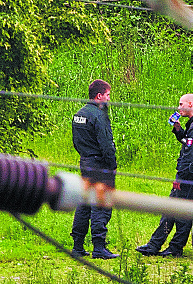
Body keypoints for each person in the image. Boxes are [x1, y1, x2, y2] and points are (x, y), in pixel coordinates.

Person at [136, 93, 193, 257]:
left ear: (190, 105)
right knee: (170, 209)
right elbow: (188, 142)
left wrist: (180, 178)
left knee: (182, 213)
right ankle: (154, 245)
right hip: (189, 172)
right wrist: (178, 129)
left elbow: (191, 154)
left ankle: (175, 248)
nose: (178, 108)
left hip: (190, 175)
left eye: (181, 104)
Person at [71, 79, 119, 259]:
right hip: (100, 164)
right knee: (101, 203)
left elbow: (76, 142)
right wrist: (112, 164)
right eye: (107, 95)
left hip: (85, 161)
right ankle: (99, 246)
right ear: (99, 96)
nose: (108, 99)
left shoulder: (79, 114)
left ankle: (78, 245)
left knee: (84, 202)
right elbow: (106, 145)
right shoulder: (99, 115)